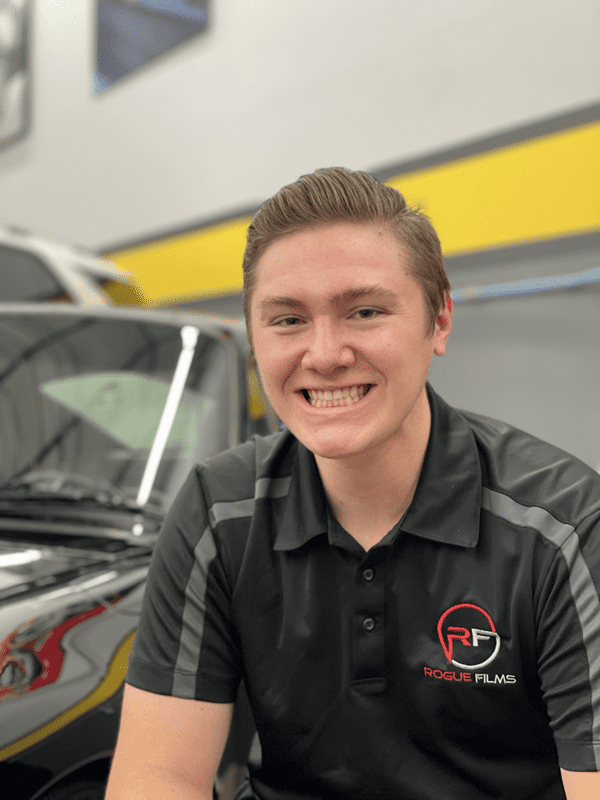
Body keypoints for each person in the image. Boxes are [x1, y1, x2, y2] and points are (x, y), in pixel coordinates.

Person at [105, 167, 600, 800]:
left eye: (364, 311)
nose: (326, 352)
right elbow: (157, 777)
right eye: (287, 320)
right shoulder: (217, 513)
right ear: (255, 339)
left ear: (439, 320)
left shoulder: (561, 529)